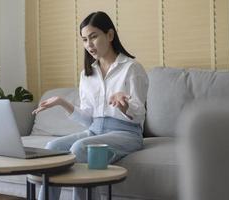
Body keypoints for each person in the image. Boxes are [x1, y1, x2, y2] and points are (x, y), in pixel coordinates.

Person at [33, 11, 148, 200]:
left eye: (94, 37)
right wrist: (62, 103)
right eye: (85, 40)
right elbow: (88, 119)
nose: (89, 45)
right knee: (52, 147)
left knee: (80, 148)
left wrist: (124, 107)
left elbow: (139, 114)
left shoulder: (132, 68)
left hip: (127, 134)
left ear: (110, 35)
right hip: (95, 131)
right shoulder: (87, 74)